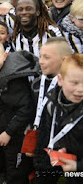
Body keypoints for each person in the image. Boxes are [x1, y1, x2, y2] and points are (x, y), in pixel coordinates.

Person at [0, 38, 39, 184]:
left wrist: (8, 132)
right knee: (10, 166)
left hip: (17, 135)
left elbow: (26, 109)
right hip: (4, 130)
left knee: (17, 173)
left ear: (5, 56)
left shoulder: (13, 79)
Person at [33, 53, 83, 184]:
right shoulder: (51, 101)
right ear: (60, 80)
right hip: (55, 156)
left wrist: (77, 167)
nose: (81, 89)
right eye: (74, 83)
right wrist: (39, 160)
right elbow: (45, 131)